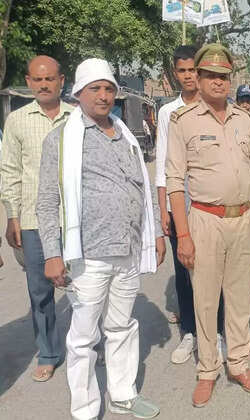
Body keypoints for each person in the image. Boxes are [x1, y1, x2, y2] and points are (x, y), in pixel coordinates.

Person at [36, 57, 165, 420]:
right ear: (78, 93)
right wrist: (52, 253)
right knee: (83, 338)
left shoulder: (125, 135)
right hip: (88, 254)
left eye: (109, 89)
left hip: (127, 249)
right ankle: (85, 409)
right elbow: (46, 200)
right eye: (95, 89)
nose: (104, 96)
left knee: (122, 326)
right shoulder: (61, 139)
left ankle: (123, 395)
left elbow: (141, 188)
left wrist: (155, 232)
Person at [166, 44, 250, 407]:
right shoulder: (183, 120)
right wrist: (183, 235)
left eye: (224, 76)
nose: (218, 82)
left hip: (243, 219)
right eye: (210, 75)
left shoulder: (244, 119)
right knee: (206, 300)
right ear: (197, 77)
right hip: (205, 220)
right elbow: (174, 181)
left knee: (239, 299)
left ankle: (238, 364)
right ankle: (208, 370)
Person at [0, 55, 72, 383]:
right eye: (38, 79)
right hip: (32, 220)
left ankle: (89, 342)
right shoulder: (17, 120)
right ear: (28, 82)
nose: (44, 85)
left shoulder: (77, 117)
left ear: (61, 81)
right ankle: (48, 352)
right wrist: (12, 216)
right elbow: (10, 172)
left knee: (84, 285)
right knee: (39, 291)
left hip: (72, 217)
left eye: (50, 79)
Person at [155, 45, 226, 366]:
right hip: (179, 204)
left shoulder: (216, 108)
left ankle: (217, 332)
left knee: (215, 270)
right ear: (175, 74)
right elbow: (162, 165)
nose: (188, 77)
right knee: (184, 271)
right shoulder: (168, 113)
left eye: (192, 71)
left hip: (210, 205)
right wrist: (163, 209)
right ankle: (189, 332)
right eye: (181, 71)